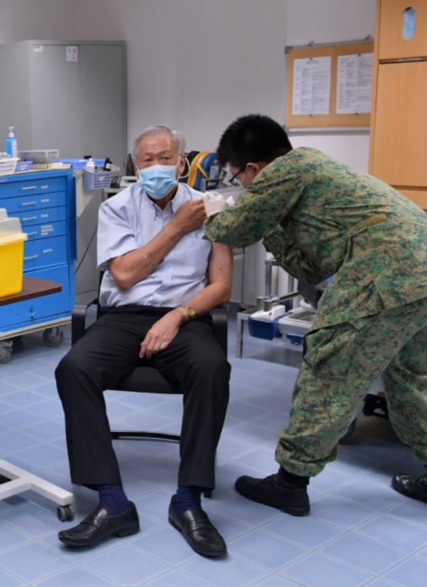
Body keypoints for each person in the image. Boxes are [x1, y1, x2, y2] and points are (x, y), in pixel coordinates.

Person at [204, 114, 427, 512]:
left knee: (328, 372)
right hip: (418, 273)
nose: (243, 186)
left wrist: (213, 212)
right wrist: (267, 224)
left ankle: (290, 483)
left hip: (383, 274)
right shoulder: (314, 171)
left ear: (254, 167)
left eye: (238, 177)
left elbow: (232, 231)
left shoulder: (290, 168)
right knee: (412, 377)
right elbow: (311, 268)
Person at [55, 125, 233, 558]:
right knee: (73, 369)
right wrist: (177, 226)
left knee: (212, 369)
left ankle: (188, 500)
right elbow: (125, 274)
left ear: (183, 162)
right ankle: (112, 502)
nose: (156, 167)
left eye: (165, 157)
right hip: (124, 317)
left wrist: (178, 315)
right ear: (136, 165)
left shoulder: (214, 210)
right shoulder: (116, 207)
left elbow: (222, 286)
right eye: (147, 160)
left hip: (184, 317)